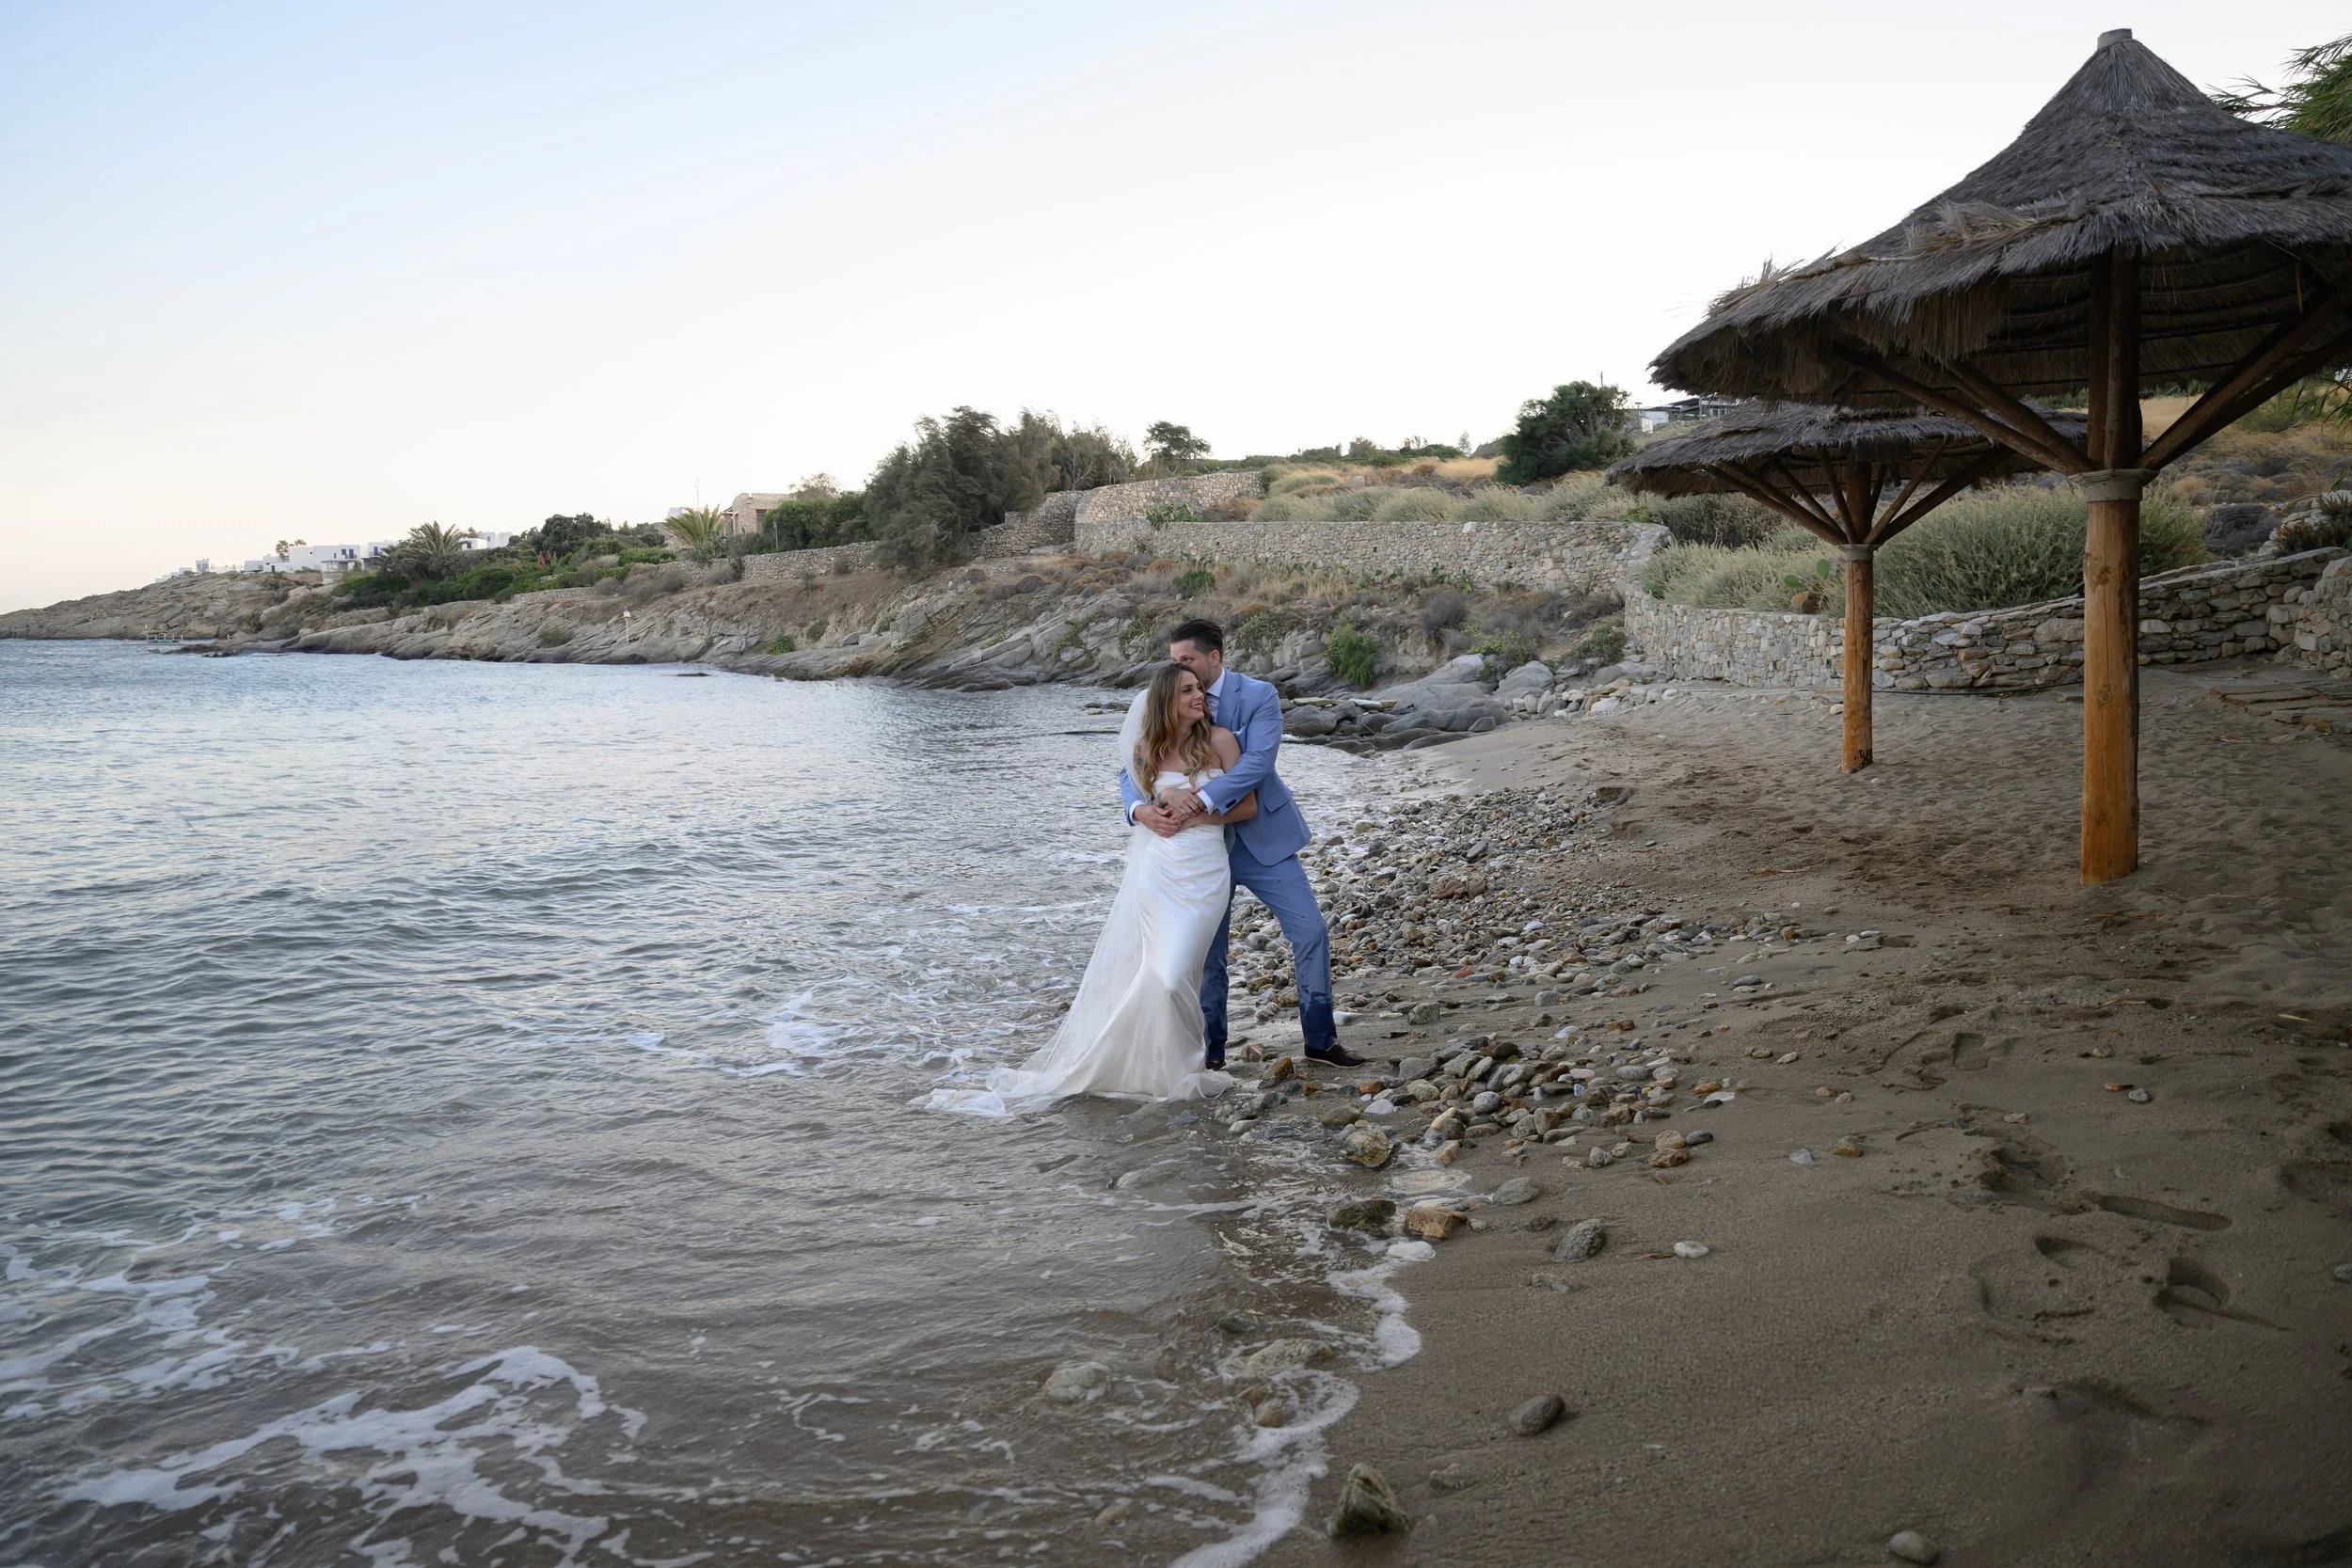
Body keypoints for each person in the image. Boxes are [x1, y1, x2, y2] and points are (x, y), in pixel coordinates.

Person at [923, 662, 1249, 1112]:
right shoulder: (1144, 750)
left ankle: (1175, 1063)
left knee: (1178, 975)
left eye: (1199, 689)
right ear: (1164, 702)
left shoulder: (1220, 742)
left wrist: (1191, 812)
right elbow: (1139, 797)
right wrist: (1148, 808)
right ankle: (1163, 1067)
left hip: (1205, 869)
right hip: (1157, 870)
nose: (1199, 697)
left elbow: (1246, 806)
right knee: (1160, 972)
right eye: (1187, 692)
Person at [1126, 618, 1361, 1069]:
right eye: (1175, 664)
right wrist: (1139, 811)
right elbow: (1131, 768)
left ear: (1213, 657)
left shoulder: (1258, 696)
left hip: (1262, 840)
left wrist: (1199, 802)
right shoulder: (1159, 702)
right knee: (1208, 957)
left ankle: (1320, 1039)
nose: (1177, 669)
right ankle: (1211, 1054)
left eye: (1186, 661)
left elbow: (1257, 762)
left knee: (1310, 930)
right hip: (1194, 858)